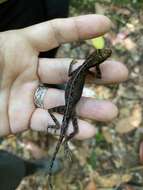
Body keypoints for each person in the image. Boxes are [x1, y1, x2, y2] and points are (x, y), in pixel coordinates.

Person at [0, 0, 129, 189]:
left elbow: (70, 73)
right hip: (69, 106)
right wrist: (99, 70)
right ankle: (63, 143)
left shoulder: (79, 69)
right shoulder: (90, 72)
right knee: (73, 128)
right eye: (101, 57)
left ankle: (58, 139)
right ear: (94, 62)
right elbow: (97, 75)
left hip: (67, 102)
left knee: (69, 125)